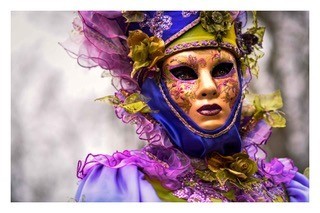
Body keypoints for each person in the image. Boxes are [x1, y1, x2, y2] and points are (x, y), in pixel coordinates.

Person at [62, 11, 309, 202]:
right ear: (153, 89)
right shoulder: (123, 187)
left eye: (222, 69)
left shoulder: (290, 189)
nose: (209, 87)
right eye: (184, 72)